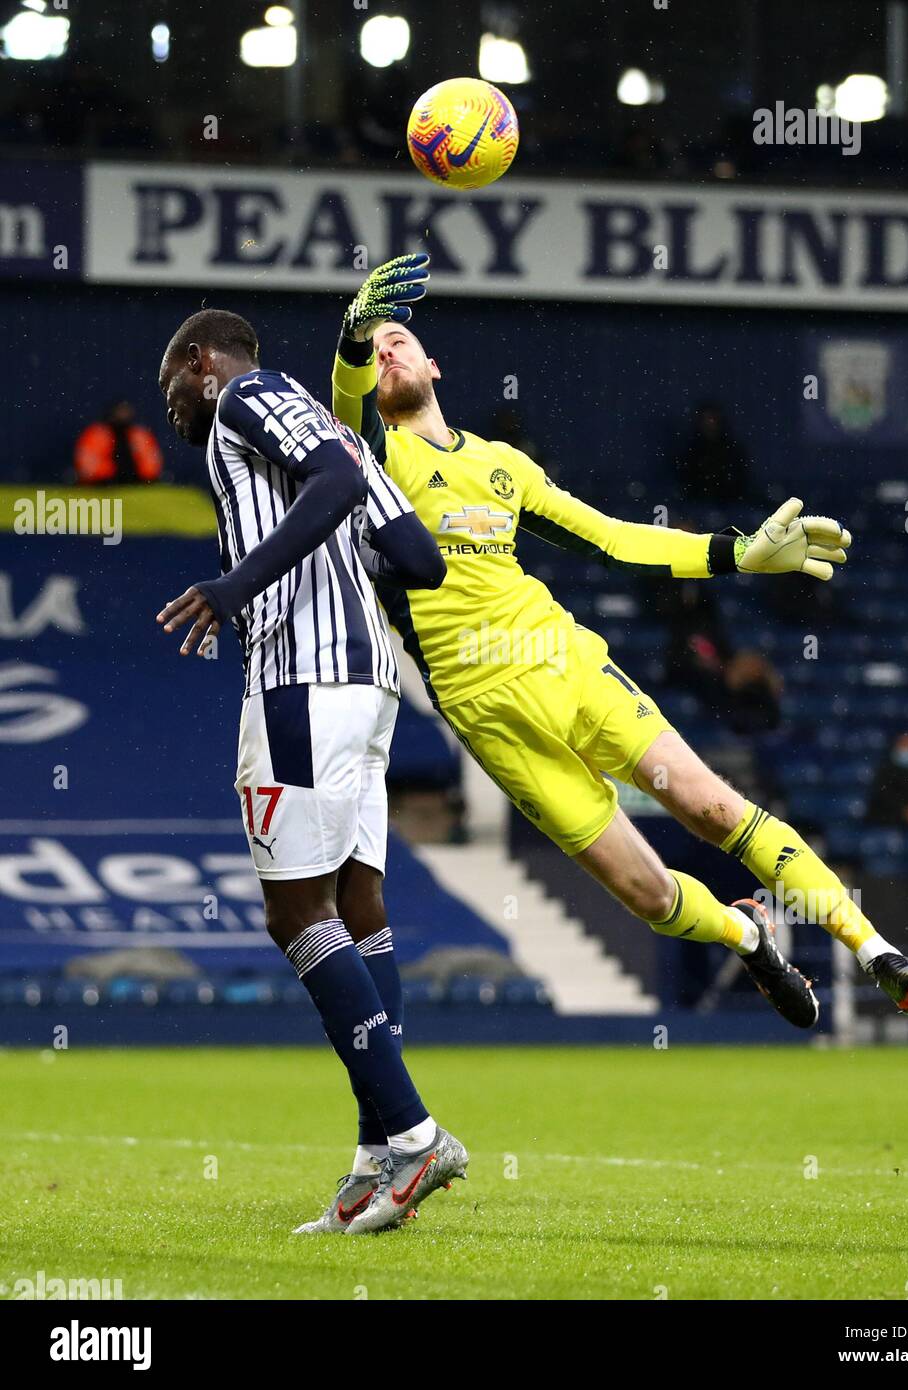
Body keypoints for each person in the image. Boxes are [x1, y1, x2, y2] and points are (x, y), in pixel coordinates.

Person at [329, 254, 908, 1023]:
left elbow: (613, 539)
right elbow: (348, 407)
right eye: (377, 348)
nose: (387, 352)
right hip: (486, 712)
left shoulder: (501, 465)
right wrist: (353, 337)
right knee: (647, 893)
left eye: (398, 339)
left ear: (433, 363)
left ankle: (876, 950)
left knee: (710, 808)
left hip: (564, 663)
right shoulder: (372, 459)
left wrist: (737, 553)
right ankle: (743, 933)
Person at [155, 308, 466, 1235]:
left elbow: (326, 479)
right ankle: (380, 1161)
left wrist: (235, 586)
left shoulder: (247, 395)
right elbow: (419, 559)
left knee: (295, 913)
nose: (171, 402)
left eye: (172, 380)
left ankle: (413, 1138)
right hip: (369, 683)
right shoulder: (334, 428)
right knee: (355, 910)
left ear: (201, 362)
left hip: (300, 678)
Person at [675, 401, 751, 504]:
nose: (710, 423)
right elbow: (685, 482)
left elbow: (740, 481)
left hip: (730, 504)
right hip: (696, 504)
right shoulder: (690, 451)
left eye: (714, 419)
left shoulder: (732, 450)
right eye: (707, 419)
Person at [74, 400, 163, 485]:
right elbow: (87, 465)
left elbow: (152, 463)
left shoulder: (140, 435)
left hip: (138, 483)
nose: (123, 415)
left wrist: (141, 476)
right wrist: (109, 475)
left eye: (125, 411)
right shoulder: (97, 434)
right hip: (103, 485)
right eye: (120, 411)